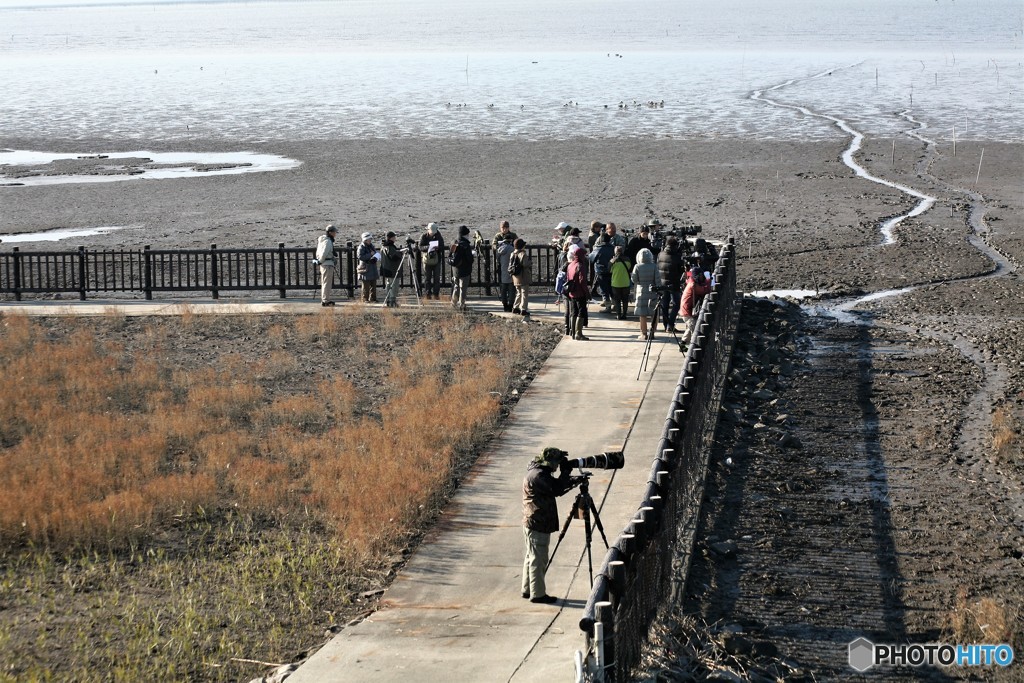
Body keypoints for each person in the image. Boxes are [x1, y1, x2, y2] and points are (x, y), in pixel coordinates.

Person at [522, 447, 576, 604]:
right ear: (549, 463)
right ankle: (538, 595)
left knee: (531, 557)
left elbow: (554, 487)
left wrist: (569, 480)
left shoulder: (536, 472)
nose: (557, 467)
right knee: (538, 559)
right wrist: (566, 474)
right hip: (538, 523)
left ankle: (528, 589)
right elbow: (556, 488)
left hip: (533, 521)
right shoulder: (539, 476)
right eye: (557, 463)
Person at [631, 247, 662, 340]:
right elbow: (658, 280)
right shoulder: (654, 266)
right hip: (652, 291)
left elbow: (634, 279)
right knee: (654, 313)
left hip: (641, 292)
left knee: (642, 313)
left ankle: (643, 334)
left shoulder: (637, 266)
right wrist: (659, 291)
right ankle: (652, 332)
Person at [656, 236, 684, 333]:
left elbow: (657, 266)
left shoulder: (660, 254)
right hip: (674, 284)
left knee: (665, 304)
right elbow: (681, 270)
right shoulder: (677, 256)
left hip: (662, 283)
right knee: (677, 304)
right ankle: (670, 324)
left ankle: (665, 325)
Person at [680, 266, 712, 341]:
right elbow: (704, 290)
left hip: (685, 310)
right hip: (686, 312)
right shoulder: (693, 285)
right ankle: (693, 348)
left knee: (690, 327)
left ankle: (683, 344)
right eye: (701, 275)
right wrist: (708, 280)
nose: (702, 277)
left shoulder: (691, 281)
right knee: (695, 330)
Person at [566, 245, 590, 340]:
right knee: (581, 312)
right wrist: (587, 293)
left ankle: (572, 332)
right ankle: (578, 333)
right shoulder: (580, 265)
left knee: (574, 312)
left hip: (572, 292)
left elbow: (568, 278)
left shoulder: (570, 264)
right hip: (580, 292)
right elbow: (582, 281)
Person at [449, 225, 474, 311]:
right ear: (465, 234)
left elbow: (451, 255)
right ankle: (462, 305)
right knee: (463, 288)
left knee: (456, 286)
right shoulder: (465, 245)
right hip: (465, 270)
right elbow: (470, 259)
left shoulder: (454, 242)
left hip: (455, 269)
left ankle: (453, 304)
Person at [419, 222, 444, 300]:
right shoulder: (423, 236)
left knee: (437, 278)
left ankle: (436, 294)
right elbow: (420, 247)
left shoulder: (439, 236)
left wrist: (437, 248)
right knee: (427, 278)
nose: (432, 234)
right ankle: (428, 293)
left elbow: (442, 246)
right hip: (427, 260)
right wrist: (428, 247)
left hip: (436, 259)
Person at [314, 224, 338, 307]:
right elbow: (324, 253)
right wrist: (321, 260)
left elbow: (318, 252)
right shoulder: (328, 241)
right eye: (334, 232)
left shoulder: (322, 240)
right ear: (330, 232)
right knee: (327, 283)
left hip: (323, 264)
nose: (335, 233)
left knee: (324, 282)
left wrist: (319, 261)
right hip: (327, 264)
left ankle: (324, 299)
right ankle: (326, 300)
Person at [589, 233, 614, 310]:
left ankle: (607, 307)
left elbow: (591, 259)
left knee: (604, 290)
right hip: (612, 271)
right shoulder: (613, 248)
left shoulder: (598, 248)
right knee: (611, 289)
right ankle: (615, 305)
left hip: (601, 271)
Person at [379, 231, 403, 306]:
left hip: (386, 269)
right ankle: (392, 302)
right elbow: (394, 257)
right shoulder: (390, 246)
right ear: (391, 238)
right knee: (394, 286)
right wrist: (401, 253)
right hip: (392, 270)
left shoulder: (384, 246)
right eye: (394, 237)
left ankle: (388, 301)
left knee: (388, 285)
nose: (395, 238)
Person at [510, 237, 531, 321]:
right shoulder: (522, 254)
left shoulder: (513, 253)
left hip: (515, 276)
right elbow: (525, 264)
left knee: (518, 292)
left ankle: (515, 307)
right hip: (523, 276)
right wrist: (530, 262)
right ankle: (523, 309)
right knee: (524, 293)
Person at [608, 245, 632, 320]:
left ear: (615, 252)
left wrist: (611, 262)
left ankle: (618, 315)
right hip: (626, 283)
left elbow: (609, 270)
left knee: (617, 300)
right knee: (625, 300)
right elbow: (629, 268)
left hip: (616, 283)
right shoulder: (628, 260)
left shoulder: (613, 261)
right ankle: (624, 314)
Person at [495, 233, 516, 312]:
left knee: (503, 290)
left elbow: (498, 260)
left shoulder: (500, 249)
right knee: (511, 290)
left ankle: (504, 305)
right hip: (511, 271)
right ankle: (510, 305)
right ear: (510, 240)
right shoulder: (512, 249)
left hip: (502, 271)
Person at [356, 232, 379, 303]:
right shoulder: (361, 247)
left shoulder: (371, 246)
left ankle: (373, 298)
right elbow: (360, 256)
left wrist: (376, 256)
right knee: (365, 285)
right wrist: (370, 255)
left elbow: (374, 252)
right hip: (365, 268)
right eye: (369, 239)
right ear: (365, 240)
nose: (370, 241)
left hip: (372, 266)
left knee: (373, 284)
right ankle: (365, 299)